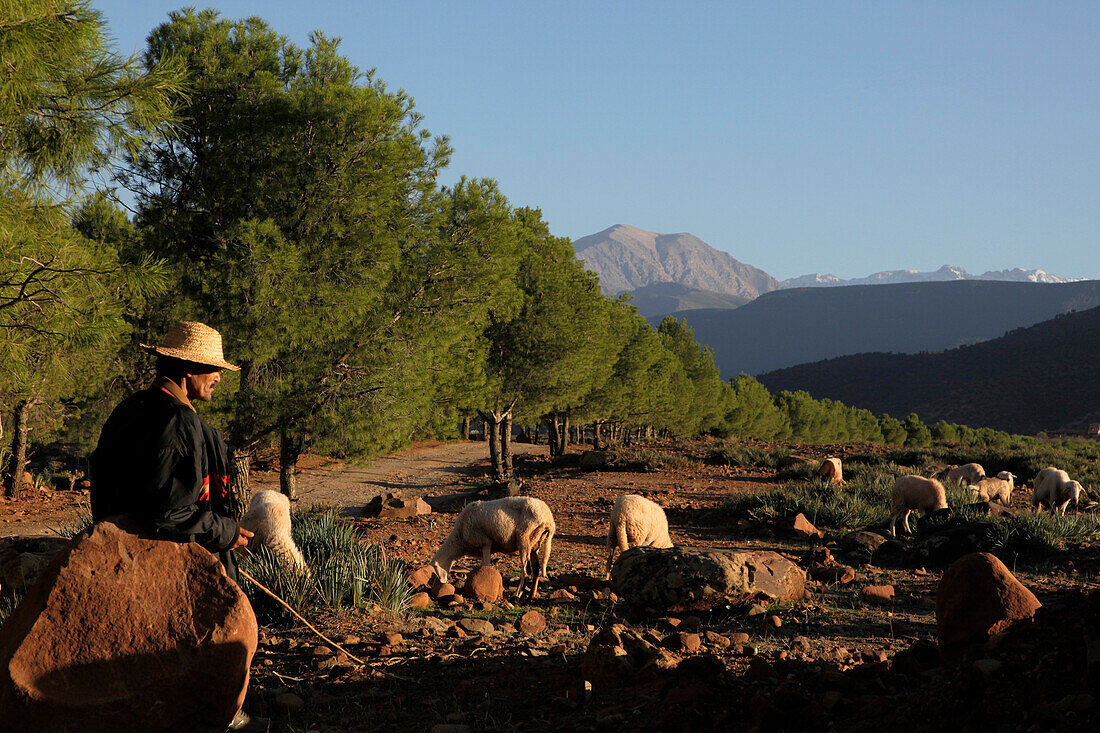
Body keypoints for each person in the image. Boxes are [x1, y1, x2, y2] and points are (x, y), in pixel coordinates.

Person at [89, 320, 269, 733]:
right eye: (212, 369)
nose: (219, 377)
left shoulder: (131, 409)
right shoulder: (177, 421)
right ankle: (221, 720)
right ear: (187, 370)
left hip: (122, 553)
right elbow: (169, 512)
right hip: (174, 560)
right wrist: (226, 533)